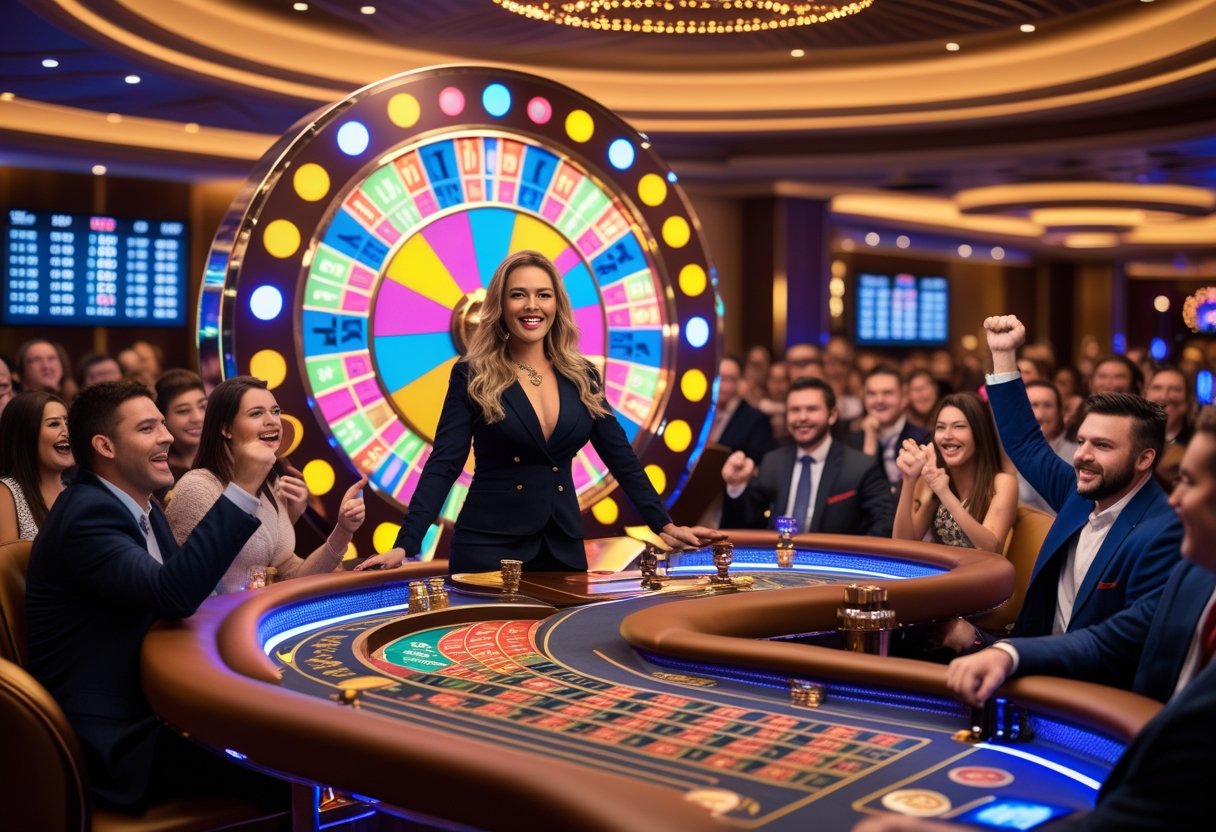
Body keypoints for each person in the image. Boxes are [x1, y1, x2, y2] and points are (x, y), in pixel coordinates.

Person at [855, 409, 1216, 832]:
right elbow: (1106, 639)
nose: (1172, 500)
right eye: (1081, 441)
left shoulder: (1162, 537)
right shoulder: (1194, 573)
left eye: (1188, 483)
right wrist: (1006, 653)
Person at [357, 251, 721, 573]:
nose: (533, 305)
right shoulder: (472, 373)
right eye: (519, 295)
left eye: (543, 295)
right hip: (488, 546)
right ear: (501, 306)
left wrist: (664, 524)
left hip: (562, 545)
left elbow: (620, 457)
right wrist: (406, 544)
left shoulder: (583, 375)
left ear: (556, 305)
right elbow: (445, 463)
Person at [25, 379, 283, 810]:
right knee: (292, 769)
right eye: (147, 428)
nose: (166, 436)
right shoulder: (88, 514)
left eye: (163, 424)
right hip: (118, 741)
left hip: (160, 706)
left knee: (285, 739)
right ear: (105, 446)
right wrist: (241, 488)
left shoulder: (143, 505)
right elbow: (174, 594)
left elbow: (190, 595)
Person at [981, 315, 1179, 640]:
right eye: (1082, 440)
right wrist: (1004, 355)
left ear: (1145, 459)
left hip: (1086, 681)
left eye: (1102, 445)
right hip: (1034, 656)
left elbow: (1120, 645)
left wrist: (1012, 656)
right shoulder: (1079, 492)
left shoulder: (1163, 531)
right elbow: (1025, 443)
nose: (1082, 455)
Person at [167, 376, 364, 594]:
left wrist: (343, 529)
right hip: (213, 624)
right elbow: (184, 584)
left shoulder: (271, 487)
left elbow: (292, 574)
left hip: (257, 620)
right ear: (226, 429)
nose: (272, 421)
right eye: (256, 413)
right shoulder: (197, 487)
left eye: (275, 411)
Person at [720, 377, 895, 536]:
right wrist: (736, 487)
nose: (802, 417)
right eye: (795, 410)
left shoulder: (859, 466)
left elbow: (884, 522)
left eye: (811, 409)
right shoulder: (773, 462)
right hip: (779, 565)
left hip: (834, 566)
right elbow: (748, 525)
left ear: (832, 415)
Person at [893, 392, 1018, 553]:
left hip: (980, 576)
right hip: (942, 574)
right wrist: (909, 479)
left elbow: (991, 549)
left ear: (979, 433)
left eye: (959, 427)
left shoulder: (1003, 482)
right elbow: (902, 545)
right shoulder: (938, 479)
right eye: (940, 427)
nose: (947, 436)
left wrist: (944, 492)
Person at [0, 391, 73, 541]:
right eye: (54, 424)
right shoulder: (6, 493)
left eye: (67, 423)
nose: (67, 432)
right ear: (26, 434)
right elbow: (7, 562)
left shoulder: (78, 490)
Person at [847, 365, 931, 491]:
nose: (879, 400)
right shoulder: (852, 442)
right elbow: (856, 490)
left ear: (904, 398)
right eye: (871, 393)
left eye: (887, 393)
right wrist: (870, 436)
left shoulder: (923, 439)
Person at [1016, 380, 1079, 515]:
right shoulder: (1008, 451)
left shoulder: (1078, 453)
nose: (1040, 414)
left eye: (1047, 405)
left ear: (1060, 411)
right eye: (1033, 405)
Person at [709, 354, 774, 465]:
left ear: (740, 382)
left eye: (728, 379)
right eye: (717, 377)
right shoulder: (699, 415)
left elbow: (761, 465)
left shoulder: (756, 419)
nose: (720, 385)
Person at [154, 368, 208, 484]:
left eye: (203, 406)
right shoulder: (155, 473)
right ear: (163, 417)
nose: (198, 418)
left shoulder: (228, 462)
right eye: (183, 411)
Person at [1144, 365, 1193, 447]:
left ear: (1188, 398)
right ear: (1145, 395)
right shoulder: (1133, 438)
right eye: (1157, 388)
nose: (1164, 396)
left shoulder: (1200, 441)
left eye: (1174, 389)